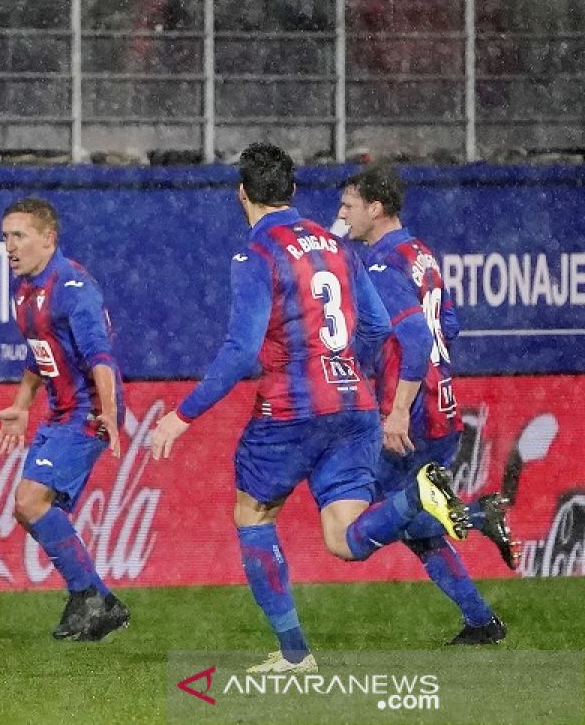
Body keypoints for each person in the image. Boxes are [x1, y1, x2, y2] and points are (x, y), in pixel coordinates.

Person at [150, 142, 469, 673]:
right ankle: (416, 500)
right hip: (353, 406)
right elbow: (374, 326)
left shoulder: (256, 254)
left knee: (252, 512)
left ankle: (295, 654)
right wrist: (342, 367)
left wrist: (180, 416)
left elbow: (240, 351)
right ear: (294, 191)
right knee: (344, 539)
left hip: (292, 408)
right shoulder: (337, 245)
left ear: (242, 194)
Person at [339, 162, 515, 644]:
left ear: (375, 209)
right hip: (443, 403)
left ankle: (478, 517)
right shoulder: (418, 254)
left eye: (349, 205)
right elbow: (449, 326)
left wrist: (397, 407)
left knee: (361, 520)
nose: (342, 214)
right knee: (418, 528)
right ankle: (482, 623)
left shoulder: (380, 261)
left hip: (410, 411)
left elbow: (416, 338)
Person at [0, 197, 129, 642]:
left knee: (30, 503)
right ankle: (100, 601)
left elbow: (100, 356)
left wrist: (107, 412)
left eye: (19, 236)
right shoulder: (26, 289)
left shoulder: (72, 288)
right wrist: (22, 404)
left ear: (49, 239)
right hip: (59, 411)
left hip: (87, 412)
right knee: (26, 510)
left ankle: (90, 597)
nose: (9, 246)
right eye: (5, 237)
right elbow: (39, 353)